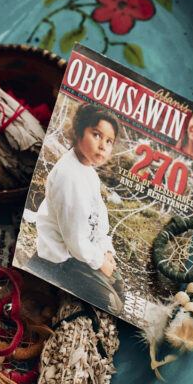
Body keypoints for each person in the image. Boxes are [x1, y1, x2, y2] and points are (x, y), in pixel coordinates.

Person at [26, 101, 124, 314]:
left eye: (109, 141)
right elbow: (75, 241)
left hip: (83, 252)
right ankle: (51, 282)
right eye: (96, 135)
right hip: (62, 260)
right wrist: (99, 262)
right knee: (113, 306)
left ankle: (93, 275)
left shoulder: (88, 170)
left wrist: (106, 250)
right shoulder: (69, 177)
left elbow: (98, 217)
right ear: (79, 132)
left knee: (120, 291)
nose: (103, 146)